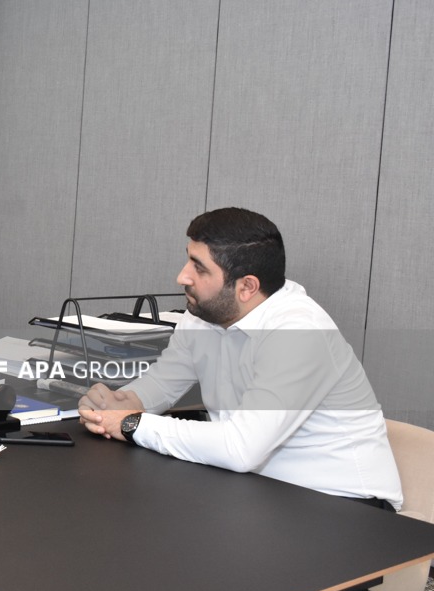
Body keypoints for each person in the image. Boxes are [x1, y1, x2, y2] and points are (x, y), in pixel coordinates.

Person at [78, 207, 402, 511]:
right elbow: (161, 384)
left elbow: (240, 448)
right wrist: (113, 405)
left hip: (345, 506)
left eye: (199, 267)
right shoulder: (203, 316)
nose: (183, 276)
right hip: (258, 490)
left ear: (247, 286)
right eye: (188, 260)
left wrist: (132, 423)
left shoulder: (299, 331)